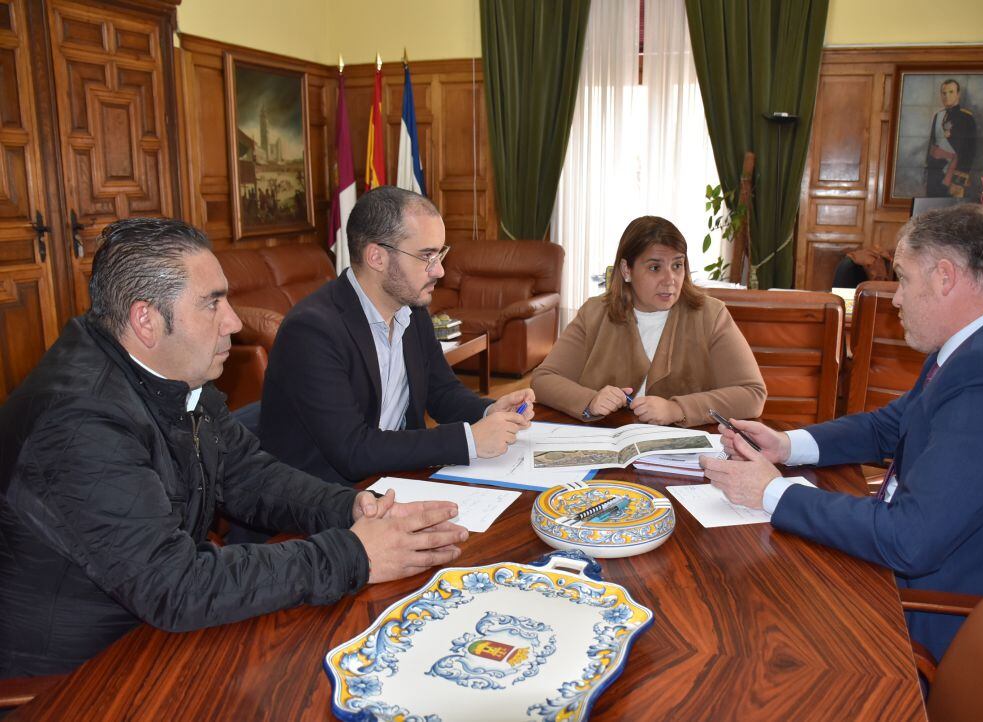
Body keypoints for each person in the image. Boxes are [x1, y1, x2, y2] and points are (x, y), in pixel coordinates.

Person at [0, 218, 468, 679]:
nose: (234, 321)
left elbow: (249, 475)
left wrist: (352, 507)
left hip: (150, 623)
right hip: (83, 667)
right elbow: (174, 586)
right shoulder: (79, 422)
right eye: (212, 304)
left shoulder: (177, 376)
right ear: (146, 320)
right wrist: (353, 555)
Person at [701, 204, 983, 710]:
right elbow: (894, 423)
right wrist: (786, 445)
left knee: (754, 642)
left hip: (966, 617)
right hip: (945, 571)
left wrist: (769, 490)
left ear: (945, 277)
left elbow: (908, 540)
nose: (896, 297)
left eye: (902, 278)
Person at [259, 186, 533, 485]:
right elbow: (352, 450)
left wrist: (490, 410)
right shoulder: (312, 332)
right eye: (426, 256)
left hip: (397, 476)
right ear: (377, 257)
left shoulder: (412, 311)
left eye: (440, 253)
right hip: (324, 499)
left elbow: (441, 393)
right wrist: (468, 441)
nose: (439, 270)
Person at [532, 216, 766, 426]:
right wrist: (590, 401)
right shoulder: (594, 313)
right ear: (626, 270)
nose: (670, 280)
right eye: (655, 267)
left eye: (677, 265)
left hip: (681, 452)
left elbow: (752, 394)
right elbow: (544, 380)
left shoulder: (711, 314)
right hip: (607, 441)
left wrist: (678, 409)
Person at [925, 78, 976, 199]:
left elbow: (969, 151)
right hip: (935, 174)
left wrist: (957, 181)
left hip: (952, 175)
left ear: (958, 94)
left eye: (951, 92)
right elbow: (931, 146)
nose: (946, 96)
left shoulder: (967, 118)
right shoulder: (938, 116)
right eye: (944, 93)